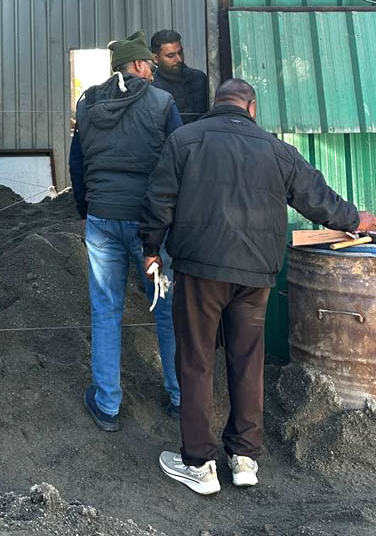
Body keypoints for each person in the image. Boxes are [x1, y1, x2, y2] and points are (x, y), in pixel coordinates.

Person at [140, 78, 376, 495]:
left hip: (200, 270)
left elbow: (160, 200)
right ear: (251, 108)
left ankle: (198, 463)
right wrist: (355, 220)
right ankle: (245, 458)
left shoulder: (185, 140)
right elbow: (316, 197)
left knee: (195, 361)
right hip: (256, 274)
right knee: (248, 360)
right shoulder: (277, 150)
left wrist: (150, 248)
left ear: (217, 104)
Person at [69, 30, 183, 433]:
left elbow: (77, 164)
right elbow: (179, 161)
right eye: (149, 65)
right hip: (150, 224)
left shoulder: (87, 105)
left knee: (105, 309)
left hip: (102, 220)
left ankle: (107, 405)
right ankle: (179, 397)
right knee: (167, 308)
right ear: (136, 64)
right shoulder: (162, 103)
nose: (153, 71)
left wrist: (86, 208)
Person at [150, 29, 208, 123]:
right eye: (170, 55)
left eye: (180, 53)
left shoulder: (199, 79)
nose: (179, 59)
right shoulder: (152, 88)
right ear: (155, 58)